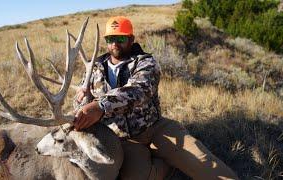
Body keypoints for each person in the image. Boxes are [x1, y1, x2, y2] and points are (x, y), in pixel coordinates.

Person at [73, 16, 238, 180]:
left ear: (131, 39)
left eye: (121, 38)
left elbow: (140, 90)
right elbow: (80, 102)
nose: (114, 43)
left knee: (202, 161)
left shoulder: (146, 62)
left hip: (156, 128)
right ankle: (165, 165)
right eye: (110, 38)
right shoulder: (93, 68)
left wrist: (101, 105)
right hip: (122, 139)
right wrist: (82, 101)